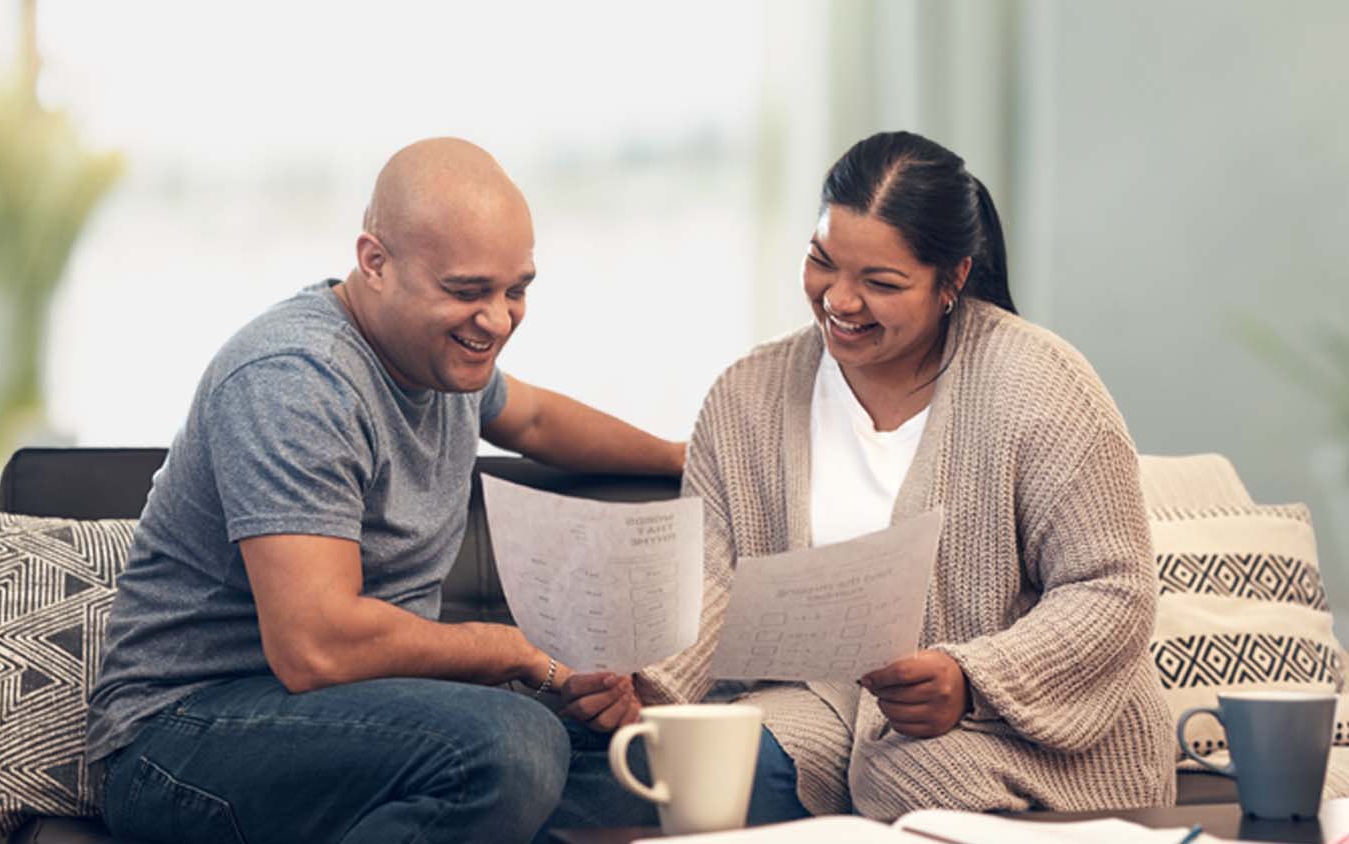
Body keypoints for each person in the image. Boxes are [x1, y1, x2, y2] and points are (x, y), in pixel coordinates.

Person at [549, 130, 1175, 830]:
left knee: (915, 774)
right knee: (631, 786)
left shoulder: (1042, 385)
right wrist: (645, 681)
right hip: (815, 710)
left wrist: (971, 680)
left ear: (953, 279)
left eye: (880, 283)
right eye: (822, 261)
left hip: (1024, 733)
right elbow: (712, 582)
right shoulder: (745, 396)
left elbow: (1113, 588)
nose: (839, 300)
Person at [85, 138, 683, 844]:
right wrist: (523, 653)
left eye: (515, 289)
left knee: (654, 775)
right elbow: (317, 647)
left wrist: (688, 459)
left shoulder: (442, 357)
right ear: (375, 263)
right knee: (508, 748)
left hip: (360, 722)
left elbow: (539, 419)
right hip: (182, 739)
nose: (496, 320)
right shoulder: (296, 377)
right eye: (466, 291)